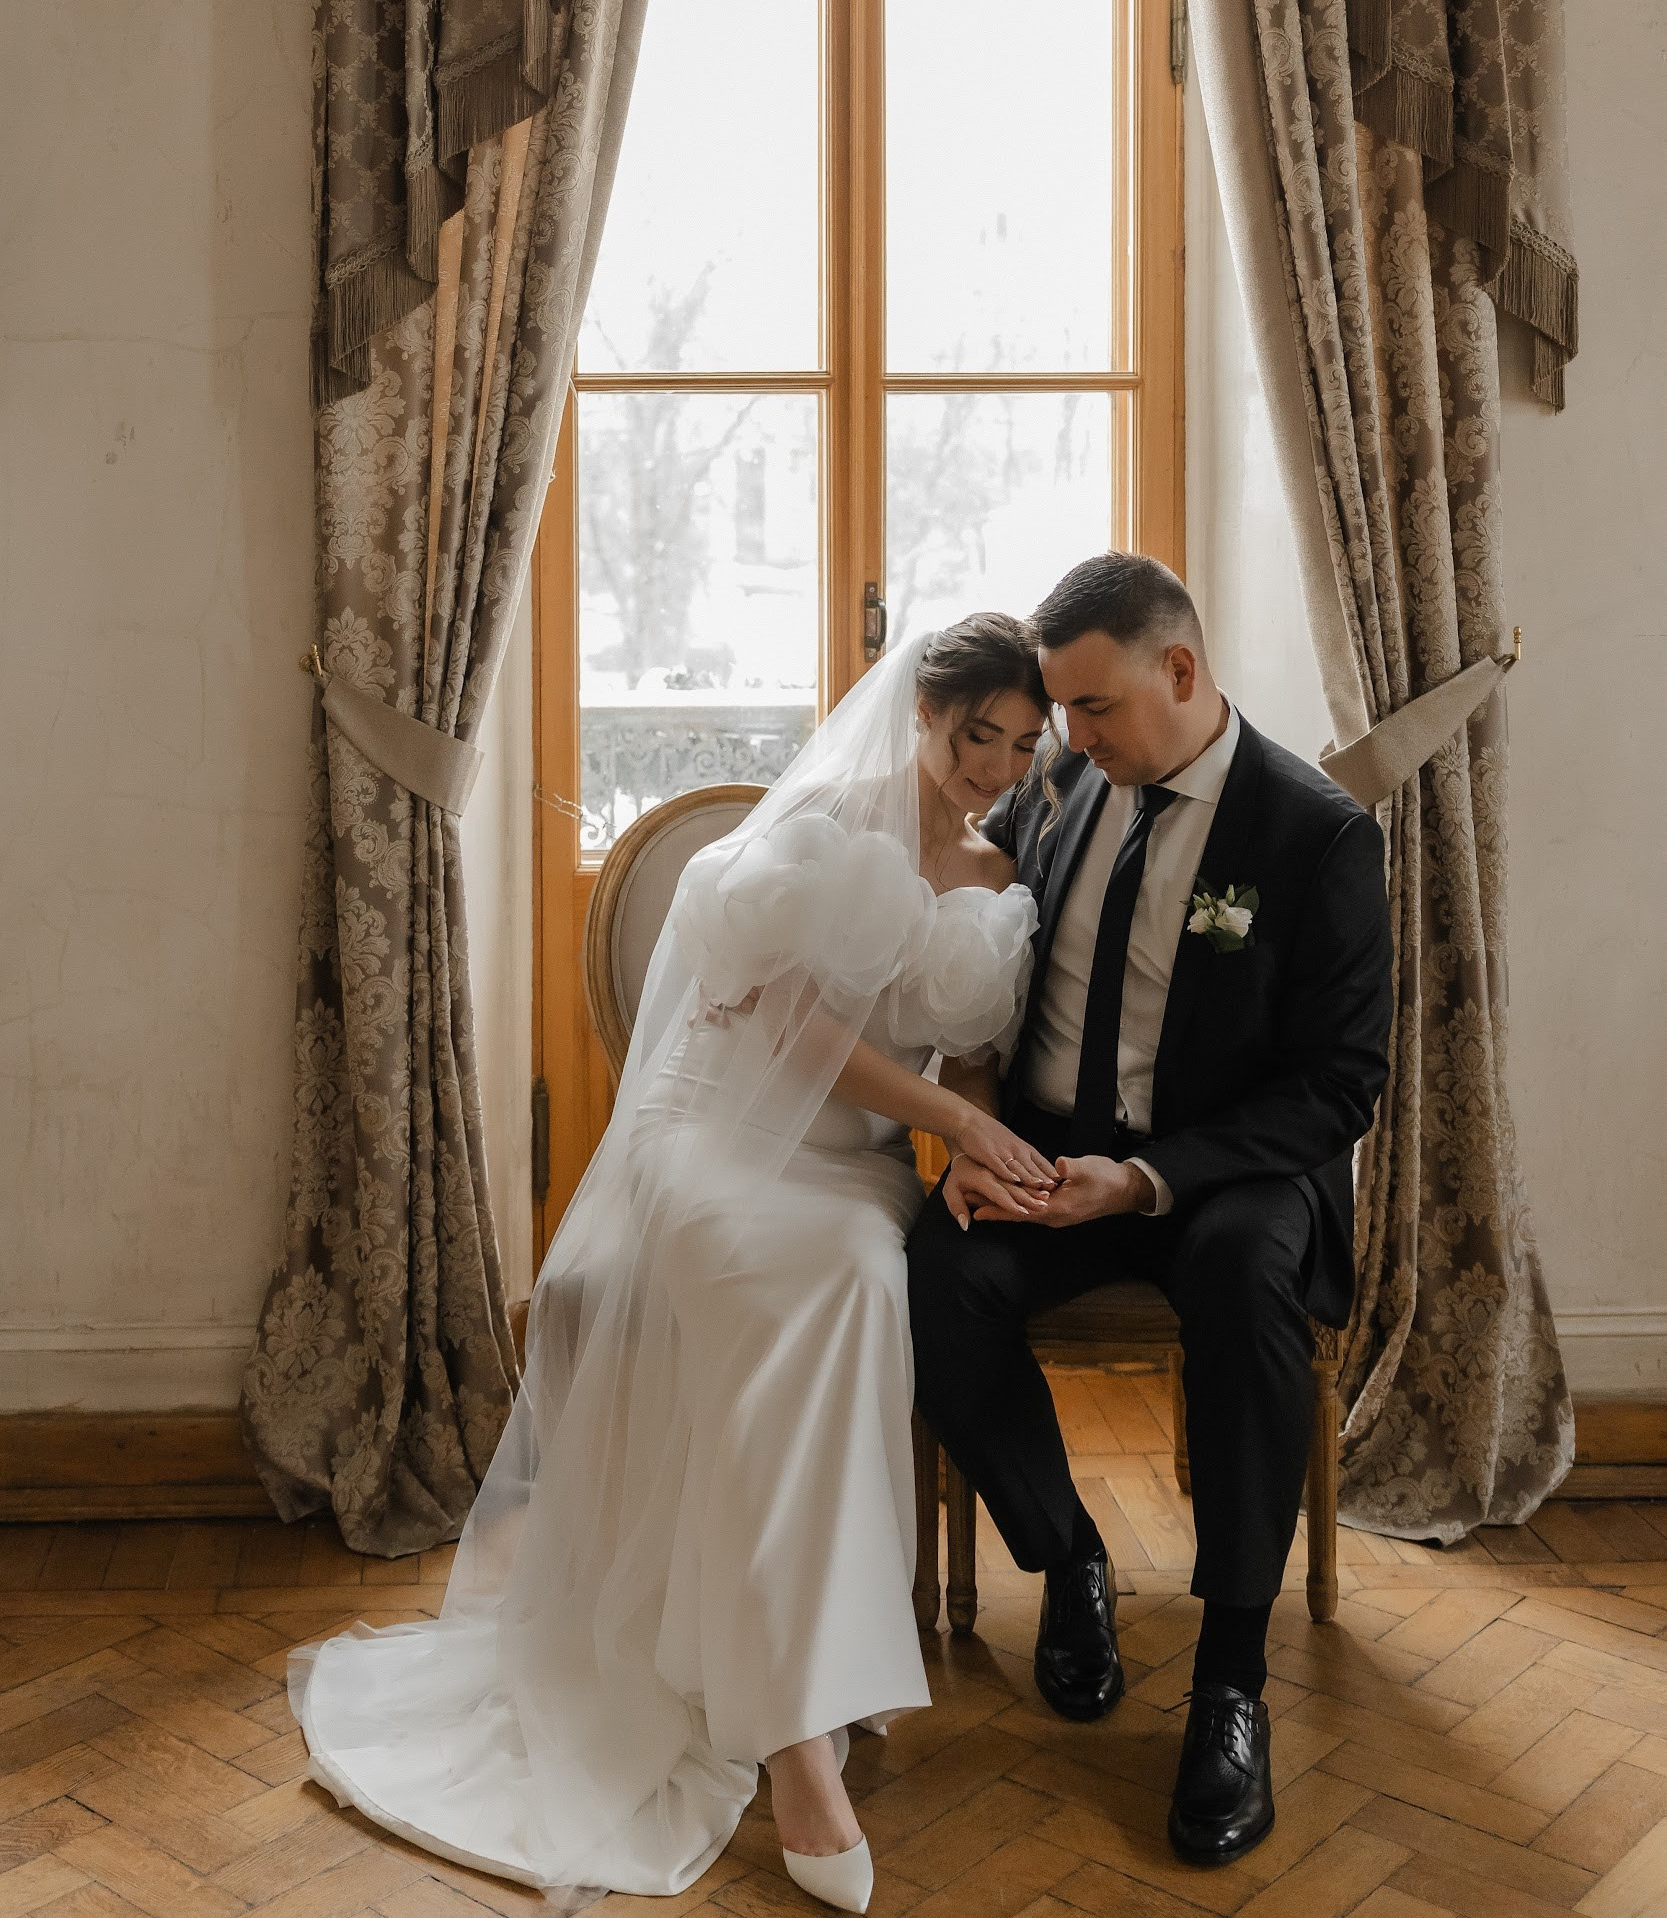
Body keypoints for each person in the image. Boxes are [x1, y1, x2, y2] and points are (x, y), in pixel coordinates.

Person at [292, 617, 1054, 1915]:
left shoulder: (997, 871)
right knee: (775, 1298)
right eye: (979, 734)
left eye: (1025, 747)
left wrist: (966, 1155)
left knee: (860, 1289)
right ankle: (798, 1743)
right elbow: (794, 1033)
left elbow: (972, 1053)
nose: (997, 768)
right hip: (718, 1139)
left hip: (855, 1172)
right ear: (922, 711)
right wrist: (960, 1126)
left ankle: (806, 1667)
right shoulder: (822, 832)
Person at [908, 553, 1393, 1868]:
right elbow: (987, 986)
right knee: (937, 1272)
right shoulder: (1067, 786)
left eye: (1094, 705)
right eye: (1059, 709)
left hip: (1229, 1175)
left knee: (1245, 1282)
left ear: (1180, 670)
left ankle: (1231, 1683)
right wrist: (977, 1139)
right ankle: (1070, 1559)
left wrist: (1149, 1177)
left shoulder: (1316, 834)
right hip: (1056, 1153)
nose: (1066, 738)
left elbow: (1339, 1086)